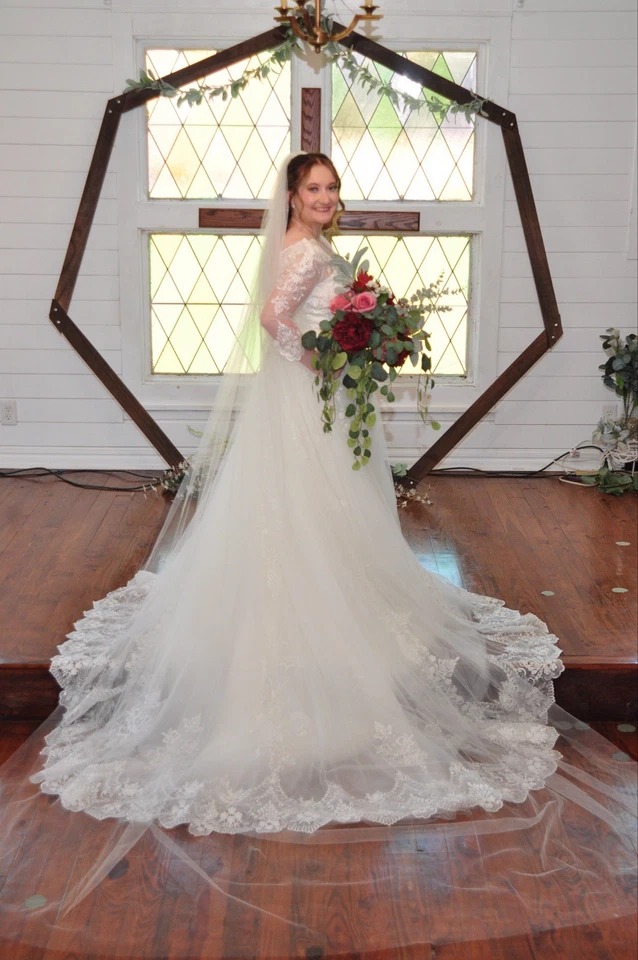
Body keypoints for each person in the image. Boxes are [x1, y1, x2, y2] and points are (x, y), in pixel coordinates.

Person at [0, 152, 635, 958]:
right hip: (306, 403)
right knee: (305, 516)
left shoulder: (318, 248)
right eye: (315, 190)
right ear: (292, 197)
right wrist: (321, 359)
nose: (328, 200)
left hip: (319, 404)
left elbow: (306, 316)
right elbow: (273, 318)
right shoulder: (302, 254)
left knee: (323, 515)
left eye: (333, 190)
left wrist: (348, 348)